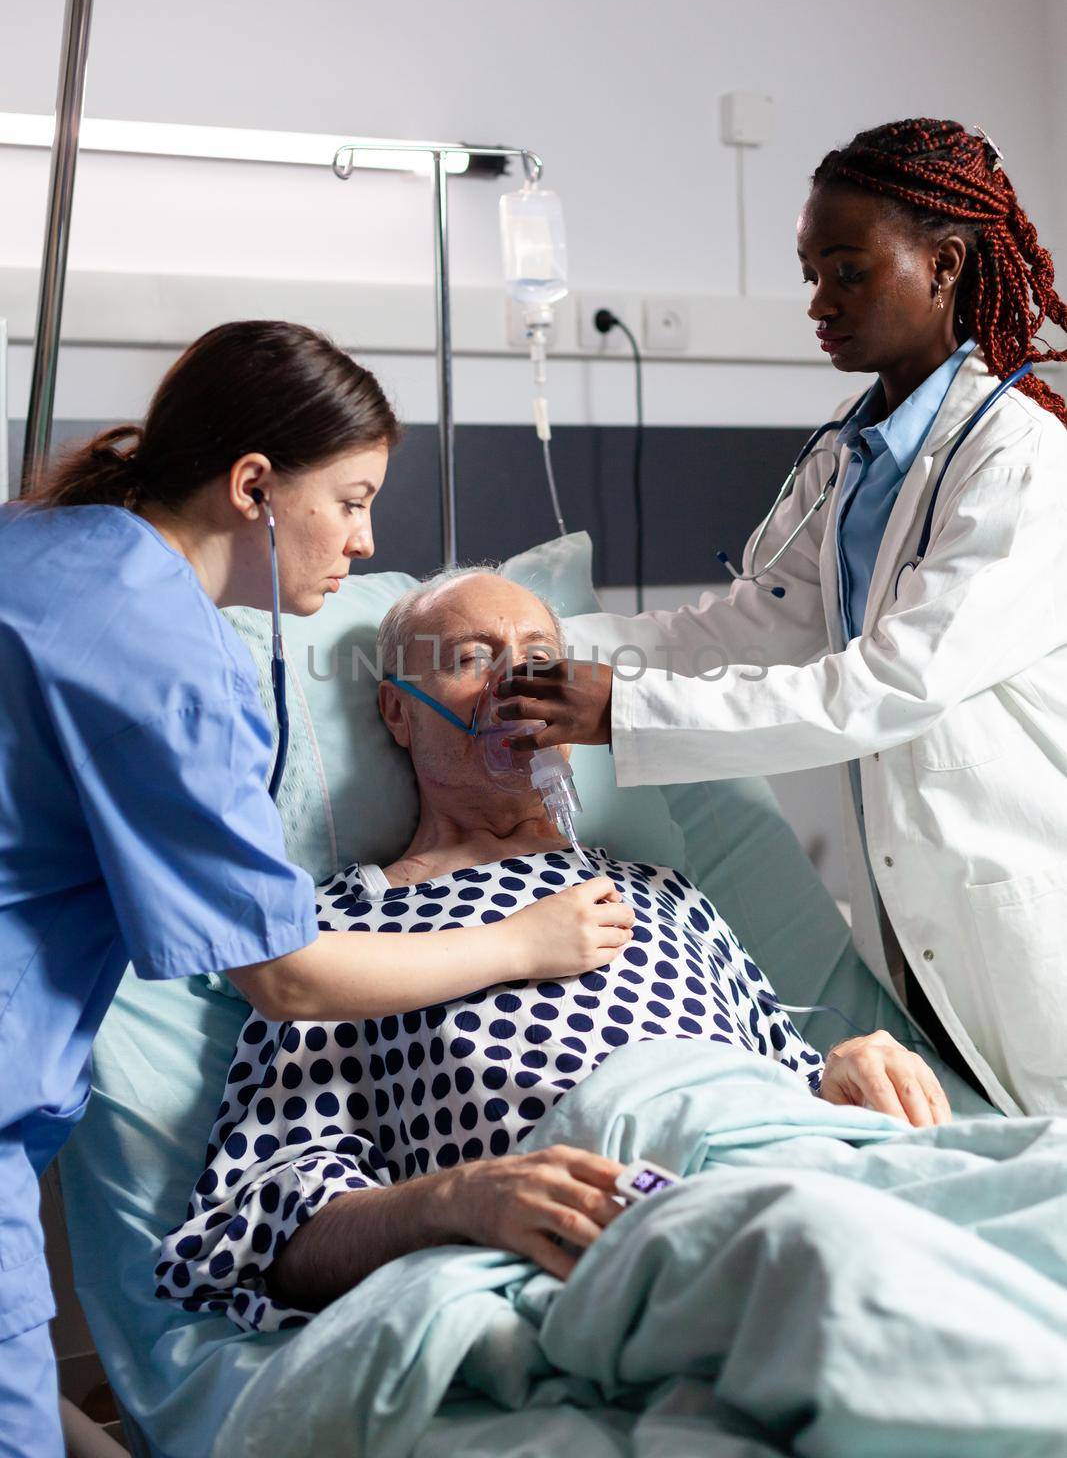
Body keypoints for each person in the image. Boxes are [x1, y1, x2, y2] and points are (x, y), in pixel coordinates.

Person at [0, 325, 629, 1458]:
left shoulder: (47, 552)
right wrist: (522, 945)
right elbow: (286, 977)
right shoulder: (169, 658)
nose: (365, 536)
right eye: (349, 500)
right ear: (252, 487)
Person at [153, 569, 948, 1330]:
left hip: (790, 1170)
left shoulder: (664, 893)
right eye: (472, 658)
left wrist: (847, 1071)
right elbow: (261, 1237)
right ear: (398, 714)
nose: (516, 685)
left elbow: (789, 1085)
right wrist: (459, 1200)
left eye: (540, 660)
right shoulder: (337, 935)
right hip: (613, 1229)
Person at [495, 118, 1067, 1122]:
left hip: (1023, 917)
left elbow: (887, 685)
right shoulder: (849, 463)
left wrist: (620, 711)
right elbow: (739, 636)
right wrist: (539, 644)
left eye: (845, 270)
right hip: (918, 933)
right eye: (809, 272)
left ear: (942, 265)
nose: (817, 303)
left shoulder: (1020, 462)